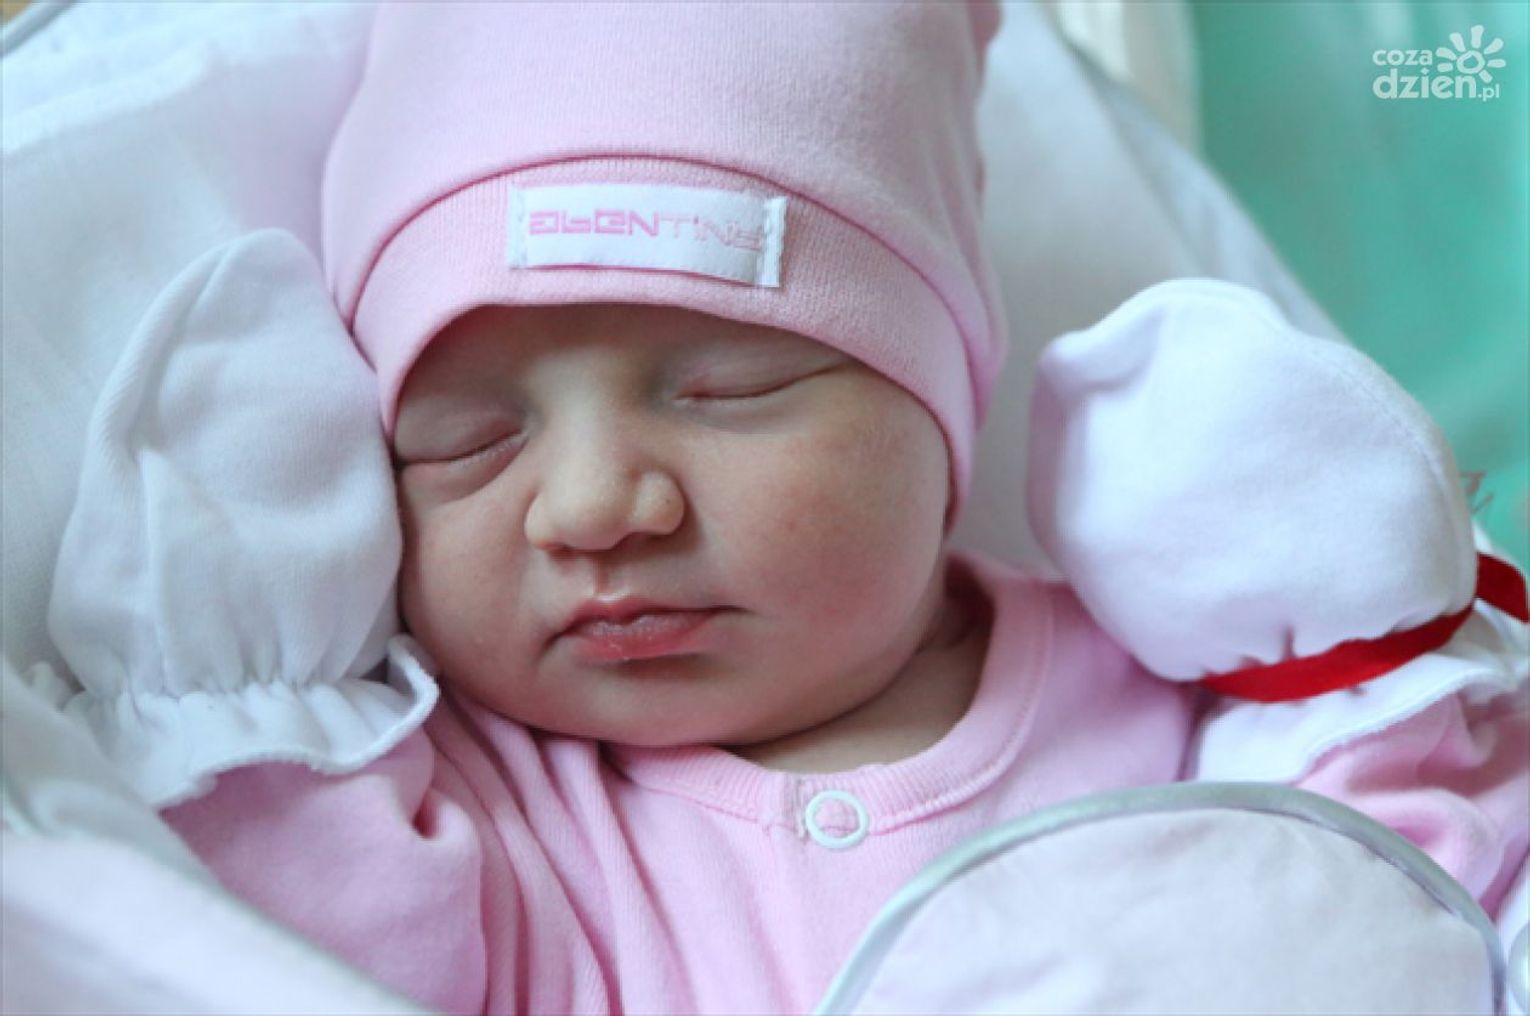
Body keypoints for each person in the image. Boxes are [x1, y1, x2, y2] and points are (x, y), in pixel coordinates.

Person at [159, 4, 1528, 1013]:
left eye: (728, 389)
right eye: (468, 444)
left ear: (941, 414)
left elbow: (1450, 890)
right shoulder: (476, 835)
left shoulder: (1179, 693)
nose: (591, 505)